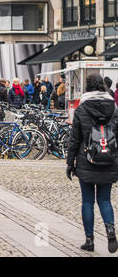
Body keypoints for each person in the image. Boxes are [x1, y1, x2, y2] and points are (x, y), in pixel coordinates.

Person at [66, 74, 118, 253]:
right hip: (109, 159)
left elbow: (74, 139)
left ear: (87, 87)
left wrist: (70, 163)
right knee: (105, 199)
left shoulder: (82, 108)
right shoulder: (113, 107)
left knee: (87, 201)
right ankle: (110, 230)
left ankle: (89, 240)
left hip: (86, 159)